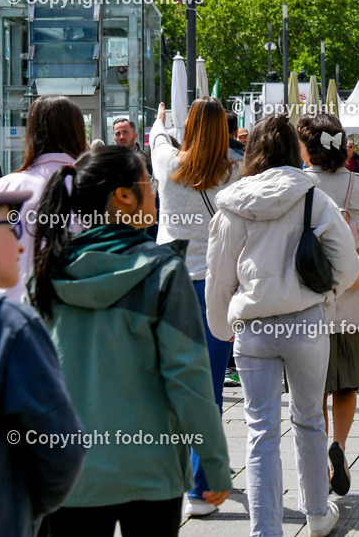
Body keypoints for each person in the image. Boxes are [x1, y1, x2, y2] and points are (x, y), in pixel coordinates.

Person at [30, 147, 230, 537]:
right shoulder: (164, 271)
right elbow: (188, 377)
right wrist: (215, 463)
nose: (155, 191)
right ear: (124, 195)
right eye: (149, 184)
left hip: (71, 474)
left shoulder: (45, 273)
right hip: (151, 472)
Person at [206, 114, 359, 537]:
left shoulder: (232, 203)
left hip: (253, 329)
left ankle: (265, 530)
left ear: (253, 150)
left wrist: (223, 329)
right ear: (295, 151)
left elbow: (219, 280)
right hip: (305, 324)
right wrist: (325, 297)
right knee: (310, 420)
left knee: (260, 430)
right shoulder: (314, 197)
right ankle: (316, 514)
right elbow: (348, 265)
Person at [0, 183, 86, 537]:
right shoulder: (11, 327)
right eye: (11, 228)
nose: (21, 242)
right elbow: (62, 448)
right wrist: (21, 509)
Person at [150, 99, 239, 515]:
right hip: (215, 291)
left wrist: (161, 121)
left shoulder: (168, 163)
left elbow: (155, 139)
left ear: (188, 127)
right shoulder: (235, 173)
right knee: (210, 388)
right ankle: (201, 488)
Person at [298, 114, 359, 497]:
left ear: (308, 147)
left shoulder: (299, 186)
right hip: (353, 301)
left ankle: (319, 458)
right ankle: (341, 446)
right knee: (346, 383)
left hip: (311, 302)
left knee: (312, 387)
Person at [0, 95, 88, 302]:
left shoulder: (4, 188)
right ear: (78, 132)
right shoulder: (96, 186)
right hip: (77, 316)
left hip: (13, 313)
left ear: (32, 133)